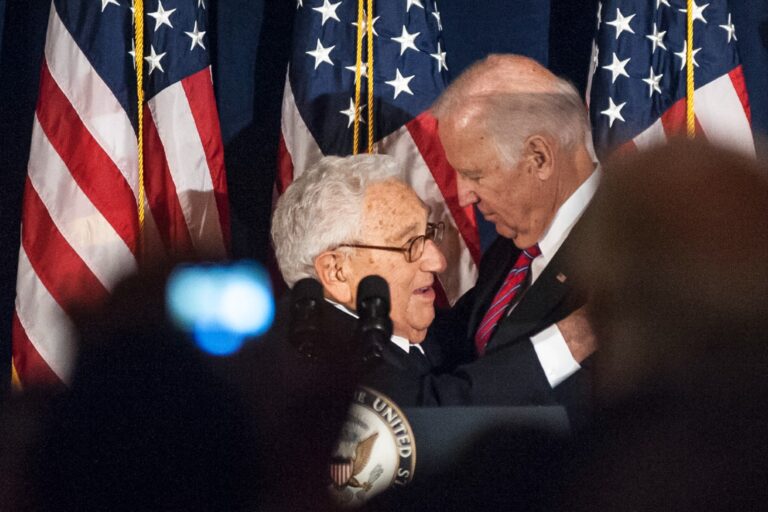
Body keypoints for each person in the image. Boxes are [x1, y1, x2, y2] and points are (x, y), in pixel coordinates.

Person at [420, 54, 600, 426]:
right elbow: (460, 355)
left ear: (539, 157)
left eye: (475, 174)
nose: (464, 195)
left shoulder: (632, 251)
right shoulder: (513, 243)